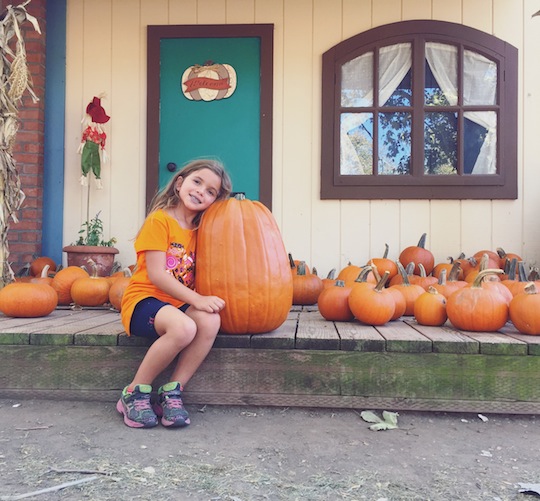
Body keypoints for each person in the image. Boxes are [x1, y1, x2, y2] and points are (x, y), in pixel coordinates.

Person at [117, 159, 232, 429]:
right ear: (179, 183)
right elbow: (157, 275)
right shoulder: (160, 220)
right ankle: (134, 392)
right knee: (184, 328)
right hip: (143, 302)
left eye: (211, 191)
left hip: (176, 304)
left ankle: (171, 392)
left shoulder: (203, 230)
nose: (201, 191)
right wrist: (198, 299)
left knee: (210, 320)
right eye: (197, 182)